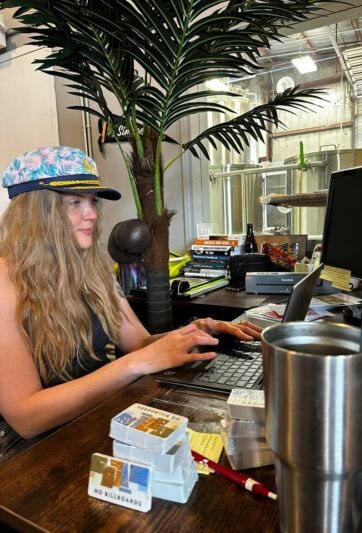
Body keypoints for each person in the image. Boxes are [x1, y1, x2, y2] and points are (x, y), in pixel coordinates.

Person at [0, 146, 261, 461]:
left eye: (92, 201)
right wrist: (136, 363)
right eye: (75, 202)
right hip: (38, 451)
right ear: (37, 212)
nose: (92, 214)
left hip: (100, 414)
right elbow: (26, 418)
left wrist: (194, 332)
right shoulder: (5, 283)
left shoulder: (93, 268)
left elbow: (139, 344)